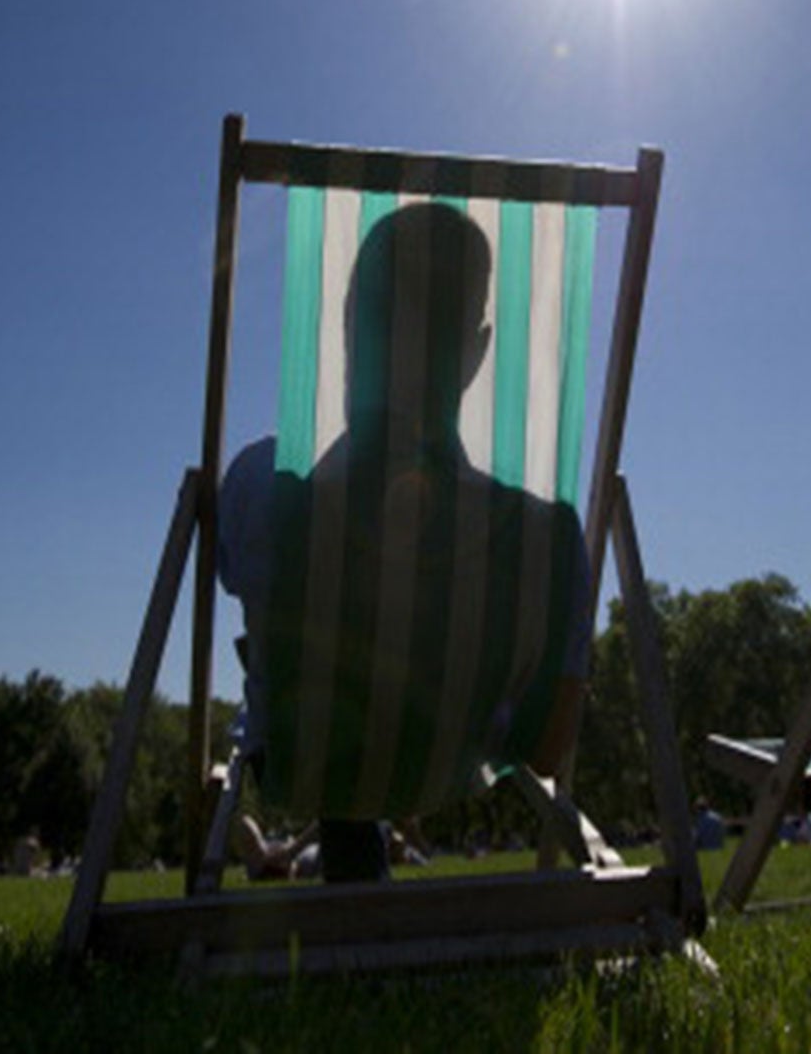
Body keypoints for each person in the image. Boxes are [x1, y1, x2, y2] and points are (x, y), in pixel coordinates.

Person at [218, 204, 593, 883]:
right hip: (452, 764)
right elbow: (547, 747)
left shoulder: (262, 489)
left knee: (329, 689)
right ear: (477, 353)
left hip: (307, 754)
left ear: (346, 328)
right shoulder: (550, 541)